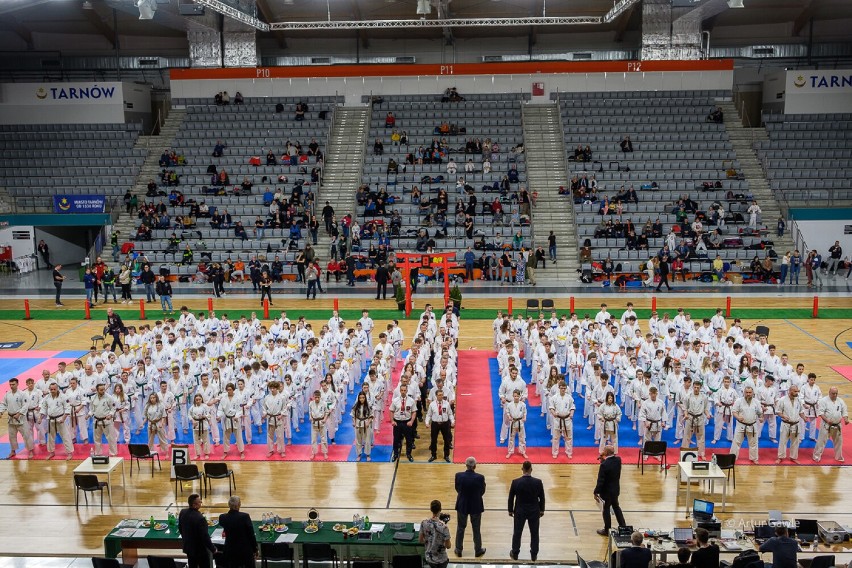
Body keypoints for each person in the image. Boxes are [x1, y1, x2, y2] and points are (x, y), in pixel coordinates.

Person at [508, 460, 545, 561]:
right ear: (531, 469)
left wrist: (510, 510)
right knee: (534, 533)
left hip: (520, 510)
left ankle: (515, 553)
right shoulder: (538, 482)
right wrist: (542, 510)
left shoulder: (516, 482)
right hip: (534, 510)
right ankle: (534, 554)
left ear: (522, 469)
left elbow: (511, 497)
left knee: (517, 532)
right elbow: (542, 497)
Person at [454, 456, 486, 558]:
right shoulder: (480, 477)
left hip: (462, 504)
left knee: (460, 528)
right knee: (476, 529)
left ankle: (458, 549)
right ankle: (478, 550)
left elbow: (457, 489)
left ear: (466, 465)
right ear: (475, 466)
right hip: (476, 505)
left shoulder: (458, 476)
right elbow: (482, 491)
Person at [594, 445, 626, 536]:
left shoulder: (604, 465)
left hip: (607, 491)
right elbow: (611, 466)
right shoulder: (618, 460)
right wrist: (603, 460)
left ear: (606, 452)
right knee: (616, 507)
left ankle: (607, 529)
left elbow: (601, 480)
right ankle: (623, 526)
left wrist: (596, 492)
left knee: (606, 509)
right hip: (615, 490)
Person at [218, 495, 258, 568]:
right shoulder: (245, 517)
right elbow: (251, 534)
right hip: (245, 552)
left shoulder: (222, 517)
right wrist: (255, 549)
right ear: (239, 504)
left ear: (229, 505)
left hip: (230, 551)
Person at [812, 386, 848, 463]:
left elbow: (844, 410)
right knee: (821, 441)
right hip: (826, 425)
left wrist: (845, 419)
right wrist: (827, 420)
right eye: (833, 393)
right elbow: (820, 413)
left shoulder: (840, 401)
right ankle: (816, 456)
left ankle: (838, 457)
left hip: (837, 425)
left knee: (839, 442)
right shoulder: (823, 401)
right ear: (829, 393)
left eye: (836, 393)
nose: (835, 395)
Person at [179, 493, 216, 568]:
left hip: (189, 548)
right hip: (200, 551)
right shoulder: (200, 518)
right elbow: (205, 537)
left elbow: (180, 528)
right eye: (199, 502)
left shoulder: (183, 512)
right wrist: (213, 549)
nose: (201, 502)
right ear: (194, 505)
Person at [0, 378, 34, 459]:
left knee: (26, 435)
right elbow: (3, 404)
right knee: (11, 436)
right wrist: (1, 412)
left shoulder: (22, 394)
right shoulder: (7, 394)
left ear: (17, 384)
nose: (11, 386)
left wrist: (19, 414)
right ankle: (13, 451)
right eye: (10, 384)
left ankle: (31, 451)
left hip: (21, 419)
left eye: (13, 384)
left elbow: (25, 405)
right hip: (11, 418)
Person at [419, 499, 451, 568]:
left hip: (429, 558)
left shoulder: (424, 523)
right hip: (441, 559)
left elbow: (421, 540)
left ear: (431, 509)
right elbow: (448, 546)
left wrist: (430, 542)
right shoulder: (444, 527)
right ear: (440, 509)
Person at [425, 388, 454, 463]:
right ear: (436, 396)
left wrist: (452, 421)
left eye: (442, 395)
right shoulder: (432, 404)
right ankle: (433, 455)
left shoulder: (447, 404)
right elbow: (428, 415)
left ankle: (446, 455)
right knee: (433, 440)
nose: (441, 396)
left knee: (447, 440)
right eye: (439, 395)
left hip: (445, 424)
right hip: (435, 424)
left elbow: (450, 414)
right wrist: (427, 422)